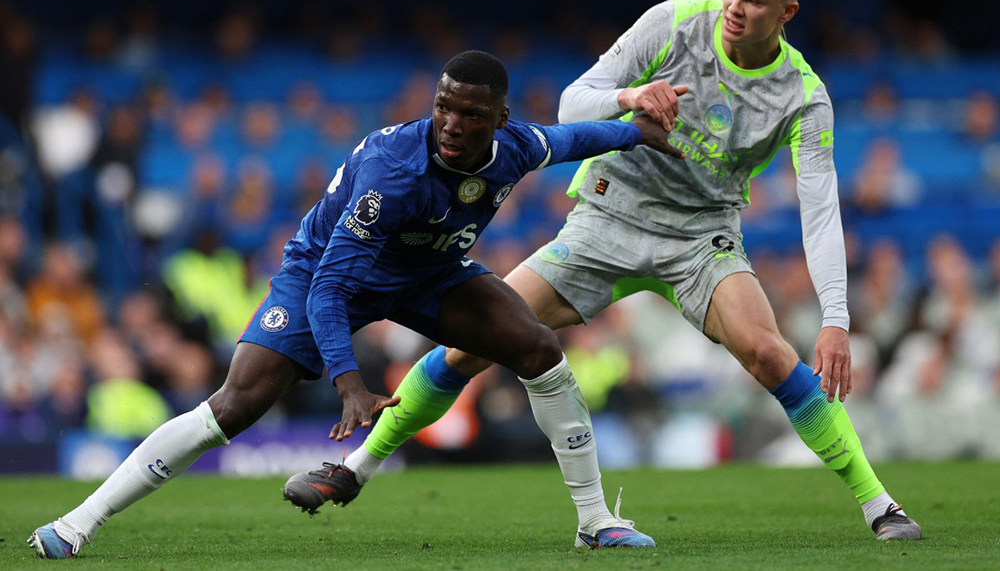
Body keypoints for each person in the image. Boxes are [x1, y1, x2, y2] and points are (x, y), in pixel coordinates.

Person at [284, 0, 922, 543]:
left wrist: (835, 319)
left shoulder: (804, 97)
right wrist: (629, 95)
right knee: (471, 347)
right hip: (605, 219)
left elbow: (819, 208)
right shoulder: (673, 22)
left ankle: (878, 504)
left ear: (788, 11)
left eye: (752, 1)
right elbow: (570, 104)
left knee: (768, 353)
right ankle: (355, 468)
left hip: (699, 239)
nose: (733, 8)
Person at [27, 50, 680, 559]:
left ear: (499, 121)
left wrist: (636, 134)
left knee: (538, 346)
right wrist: (349, 384)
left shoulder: (515, 149)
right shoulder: (395, 173)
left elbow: (570, 140)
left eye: (471, 114)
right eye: (444, 106)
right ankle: (78, 521)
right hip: (324, 272)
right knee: (236, 404)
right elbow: (333, 288)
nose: (453, 123)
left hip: (428, 271)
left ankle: (595, 521)